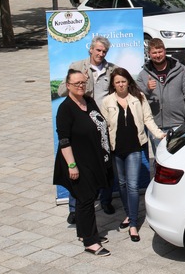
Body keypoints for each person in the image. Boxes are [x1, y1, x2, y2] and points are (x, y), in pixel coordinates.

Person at [57, 35, 119, 219]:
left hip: (104, 126)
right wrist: (80, 81)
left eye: (104, 51)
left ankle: (106, 201)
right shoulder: (76, 66)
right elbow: (61, 91)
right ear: (90, 49)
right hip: (83, 126)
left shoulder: (112, 69)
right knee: (82, 169)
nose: (100, 54)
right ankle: (75, 209)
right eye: (98, 50)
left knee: (107, 166)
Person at [53, 70, 113, 257]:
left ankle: (84, 232)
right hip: (77, 162)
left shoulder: (88, 101)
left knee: (86, 198)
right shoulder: (65, 109)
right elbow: (64, 140)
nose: (80, 85)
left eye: (83, 82)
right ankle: (90, 241)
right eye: (76, 83)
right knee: (86, 200)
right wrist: (72, 166)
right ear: (68, 85)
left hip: (94, 159)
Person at [102, 68, 164, 243]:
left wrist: (159, 134)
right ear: (113, 84)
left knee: (133, 185)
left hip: (135, 148)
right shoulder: (107, 101)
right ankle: (128, 214)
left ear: (128, 81)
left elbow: (148, 119)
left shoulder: (138, 98)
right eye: (117, 82)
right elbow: (104, 126)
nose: (121, 85)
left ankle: (133, 224)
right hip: (116, 149)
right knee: (121, 184)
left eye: (123, 81)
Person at [136, 38, 185, 150]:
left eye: (160, 51)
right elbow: (137, 99)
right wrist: (147, 89)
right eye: (154, 53)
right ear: (149, 54)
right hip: (156, 127)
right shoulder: (143, 75)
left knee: (177, 158)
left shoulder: (180, 70)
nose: (158, 55)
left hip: (178, 124)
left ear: (165, 51)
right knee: (159, 160)